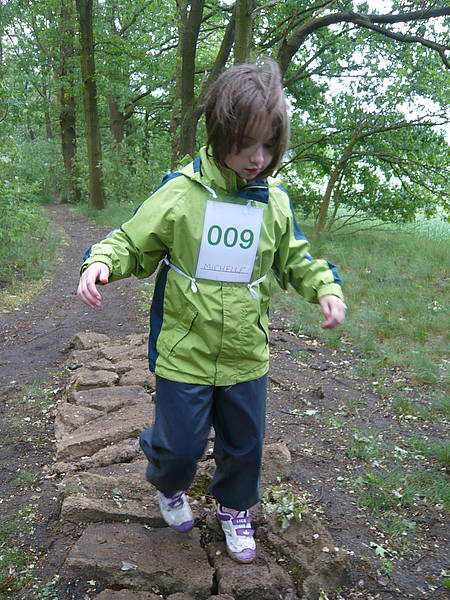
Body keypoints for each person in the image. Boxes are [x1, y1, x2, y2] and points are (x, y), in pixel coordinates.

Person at [77, 59, 346, 564]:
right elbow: (132, 240)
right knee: (178, 449)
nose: (257, 158)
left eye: (269, 146)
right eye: (246, 145)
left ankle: (235, 507)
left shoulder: (274, 202)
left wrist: (325, 289)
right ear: (220, 133)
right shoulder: (180, 193)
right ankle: (168, 483)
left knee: (245, 445)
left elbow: (296, 259)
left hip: (246, 352)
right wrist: (102, 262)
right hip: (185, 350)